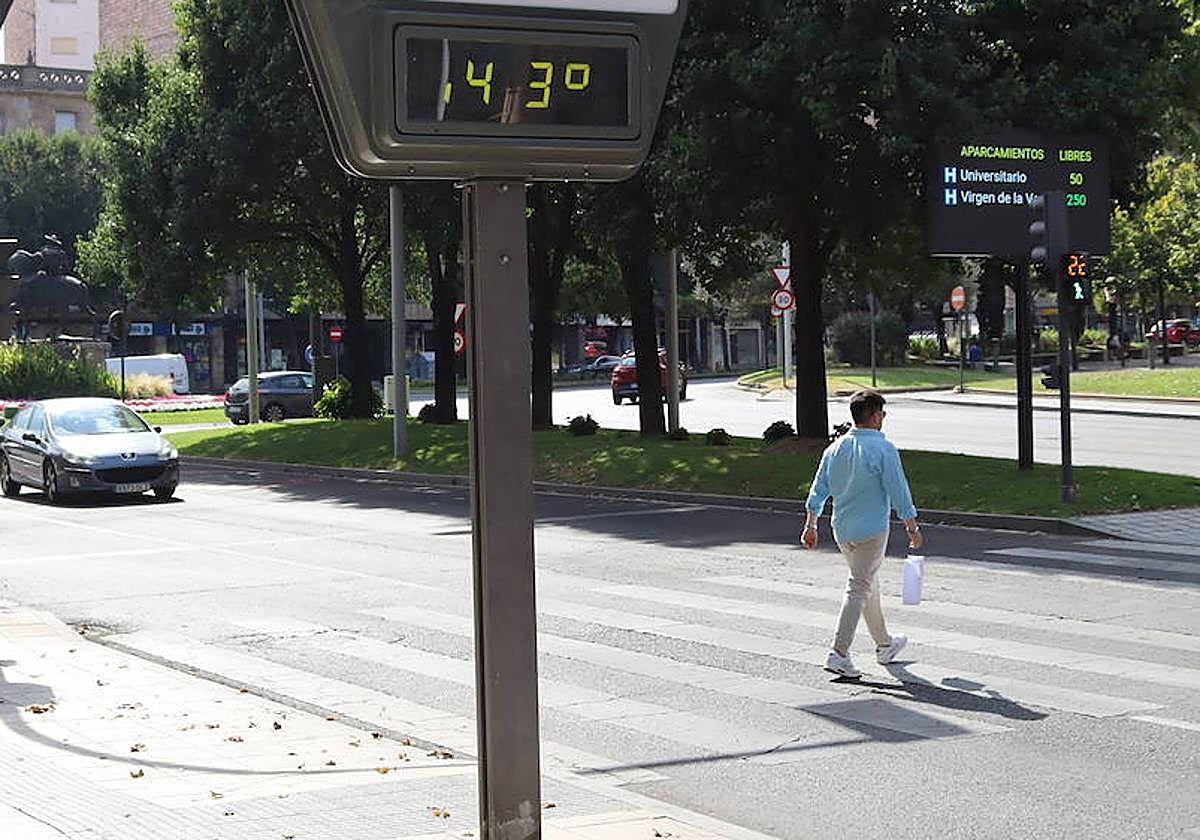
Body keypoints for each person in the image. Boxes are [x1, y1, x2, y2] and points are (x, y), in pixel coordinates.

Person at [801, 390, 924, 678]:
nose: (883, 418)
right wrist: (912, 527)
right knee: (859, 588)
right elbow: (899, 491)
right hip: (872, 531)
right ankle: (839, 652)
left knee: (868, 585)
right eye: (882, 413)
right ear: (875, 416)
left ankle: (884, 644)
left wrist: (810, 524)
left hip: (842, 530)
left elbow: (819, 489)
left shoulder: (835, 449)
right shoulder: (884, 450)